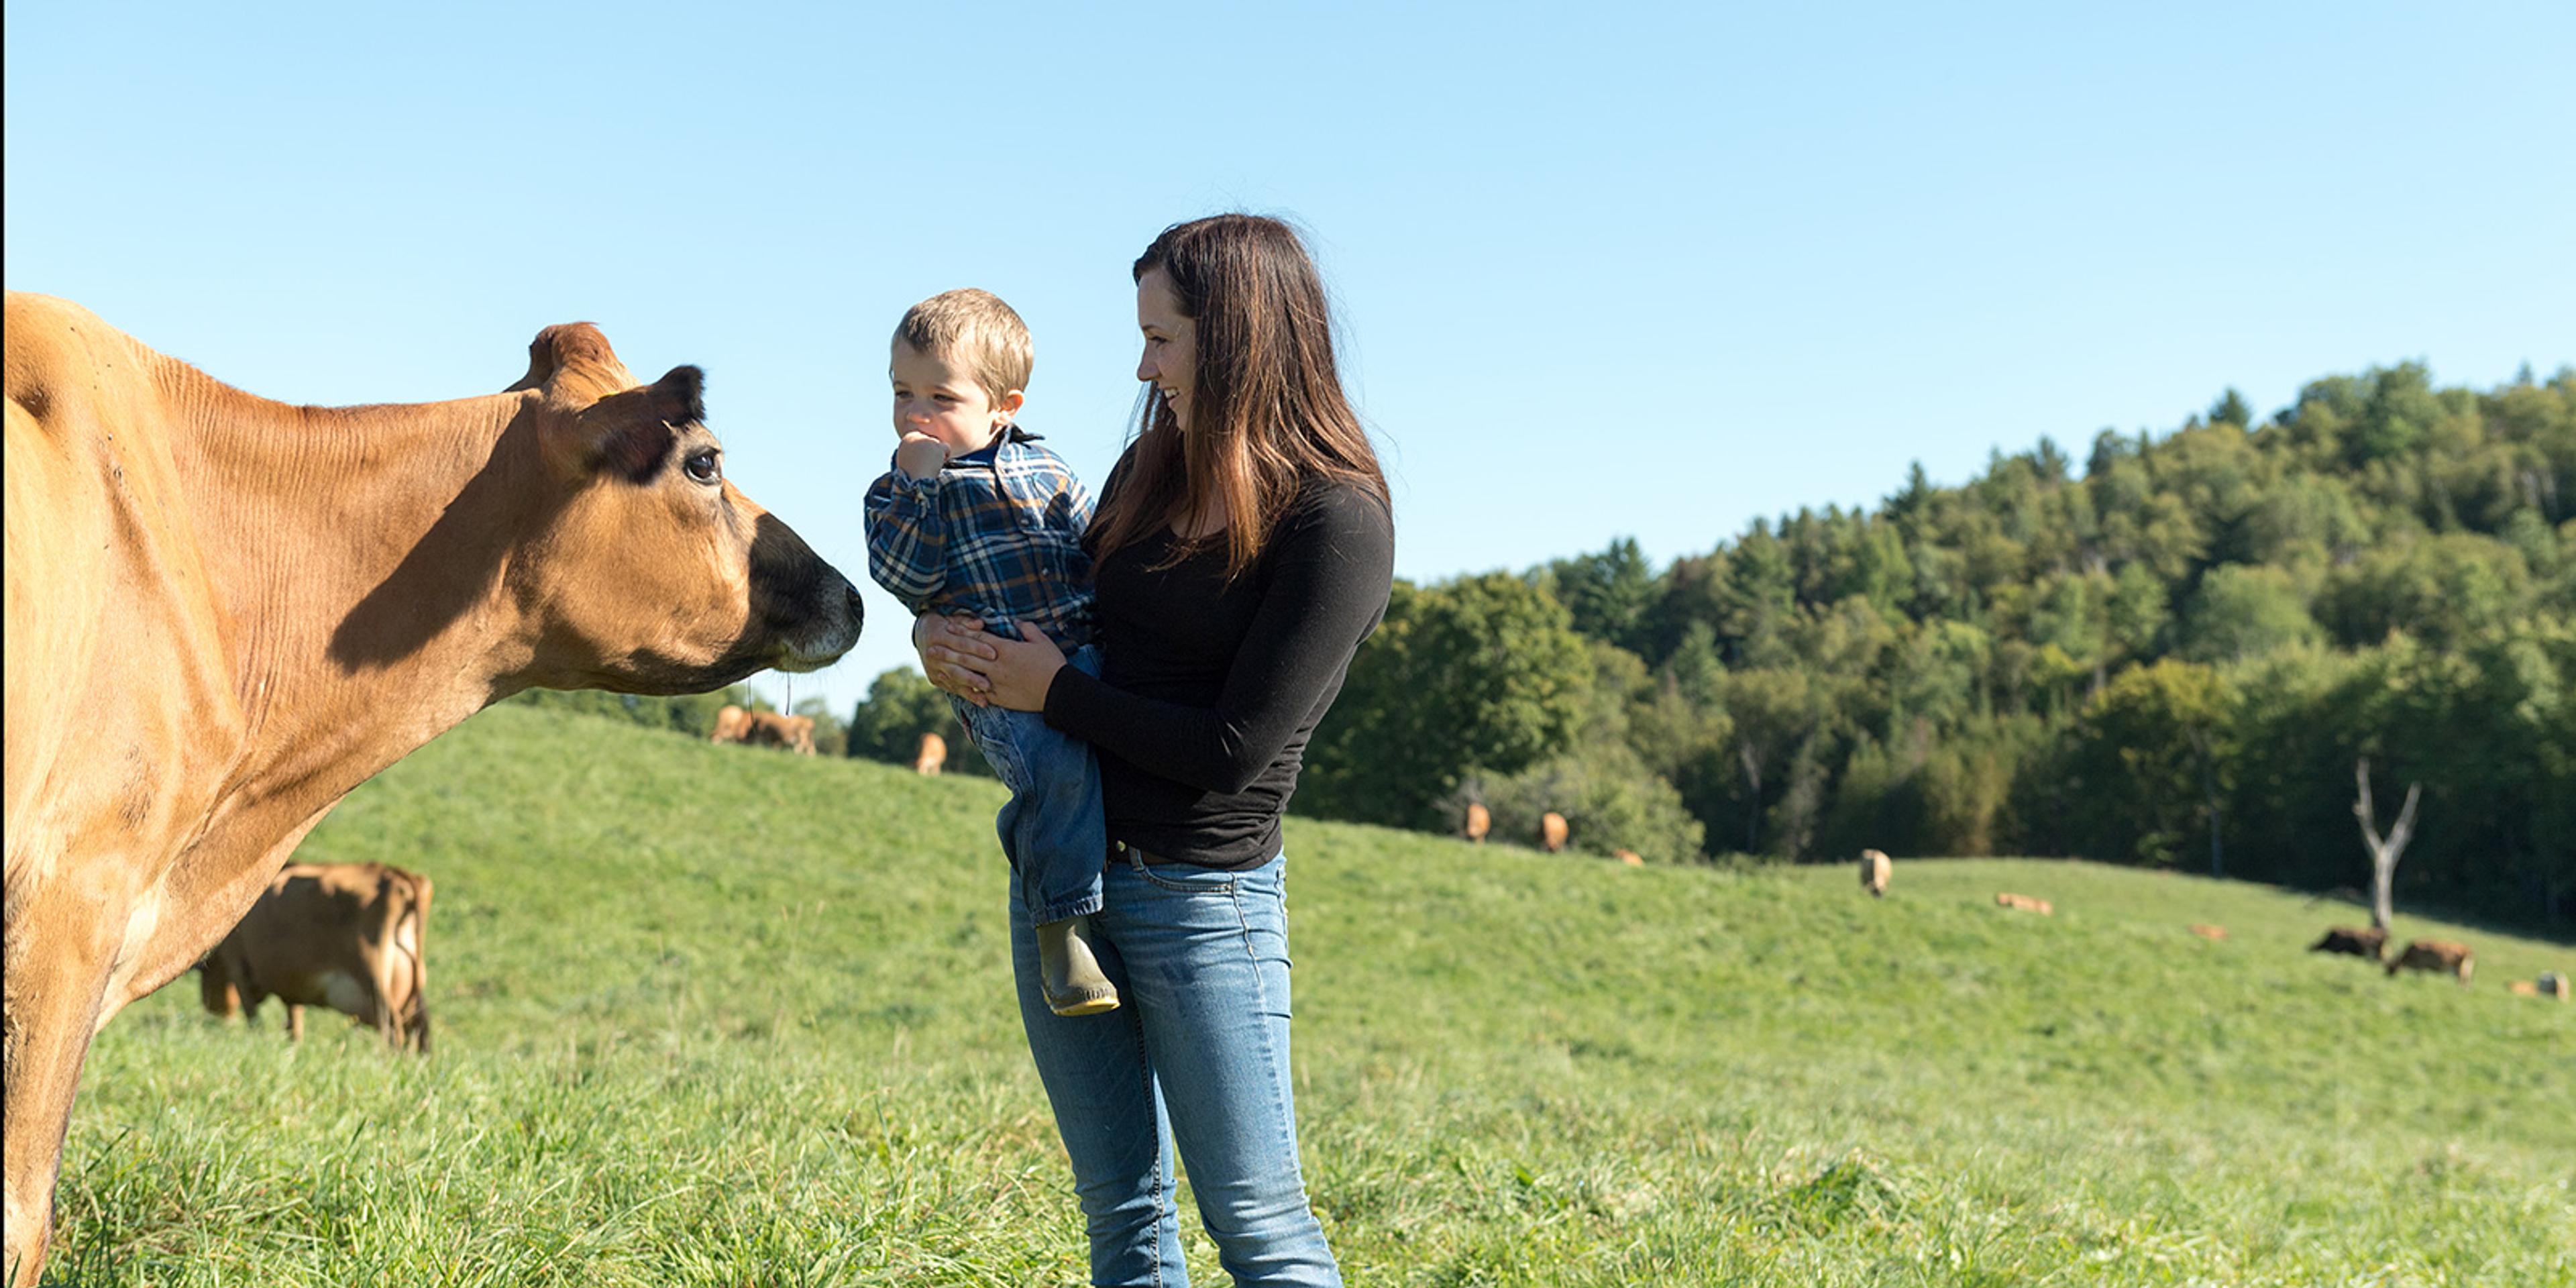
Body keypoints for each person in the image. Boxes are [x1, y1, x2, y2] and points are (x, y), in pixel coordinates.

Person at [917, 214, 1393, 1286]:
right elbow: (1047, 603)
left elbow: (1234, 749)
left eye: (1163, 337)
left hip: (1201, 900)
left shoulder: (1338, 521)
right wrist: (941, 638)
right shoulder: (1148, 468)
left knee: (1260, 1229)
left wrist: (1058, 692)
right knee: (1125, 1219)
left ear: (1239, 338)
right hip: (1062, 879)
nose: (1143, 363)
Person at [863, 288, 1118, 1016]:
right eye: (901, 392)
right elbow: (906, 577)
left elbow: (1098, 558)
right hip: (996, 681)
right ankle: (1062, 932)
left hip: (1080, 660)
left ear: (1004, 405)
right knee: (1057, 775)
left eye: (940, 396)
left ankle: (1108, 909)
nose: (915, 413)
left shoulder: (1050, 472)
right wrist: (919, 489)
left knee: (1114, 755)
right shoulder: (896, 492)